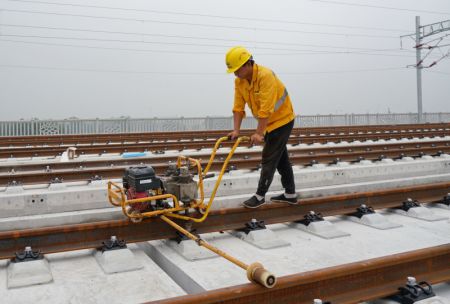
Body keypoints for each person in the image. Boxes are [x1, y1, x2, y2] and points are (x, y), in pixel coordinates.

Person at [225, 46, 297, 208]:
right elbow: (238, 107)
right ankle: (290, 194)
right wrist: (236, 130)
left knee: (269, 157)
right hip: (268, 122)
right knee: (281, 159)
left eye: (237, 70)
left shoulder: (265, 76)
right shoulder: (240, 81)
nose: (235, 74)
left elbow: (266, 108)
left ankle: (259, 196)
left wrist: (259, 133)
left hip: (282, 120)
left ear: (247, 64)